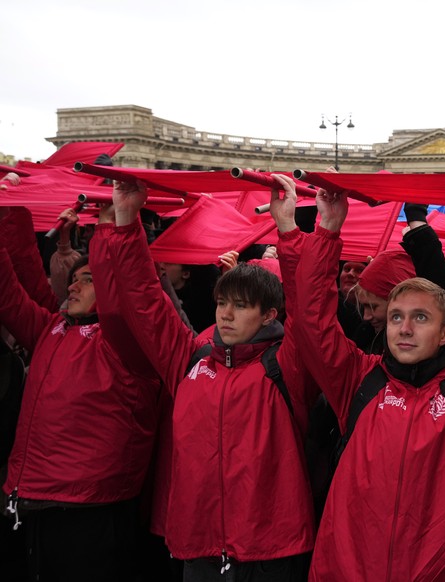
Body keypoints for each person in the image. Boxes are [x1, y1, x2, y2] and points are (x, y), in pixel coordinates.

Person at [290, 182, 445, 581]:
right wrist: (327, 229)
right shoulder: (358, 380)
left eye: (420, 318)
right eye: (396, 316)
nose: (404, 329)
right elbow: (310, 320)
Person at [105, 176, 316, 581]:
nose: (225, 314)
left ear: (270, 314)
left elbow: (309, 311)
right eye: (221, 302)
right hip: (198, 543)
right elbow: (146, 302)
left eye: (240, 305)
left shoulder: (286, 365)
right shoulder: (189, 359)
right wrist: (126, 221)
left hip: (269, 549)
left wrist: (288, 229)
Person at [0, 206, 162, 582]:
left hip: (92, 508)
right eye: (73, 280)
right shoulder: (52, 329)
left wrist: (110, 229)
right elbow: (10, 292)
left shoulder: (128, 344)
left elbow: (133, 293)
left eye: (86, 280)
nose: (71, 286)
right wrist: (14, 214)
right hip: (36, 500)